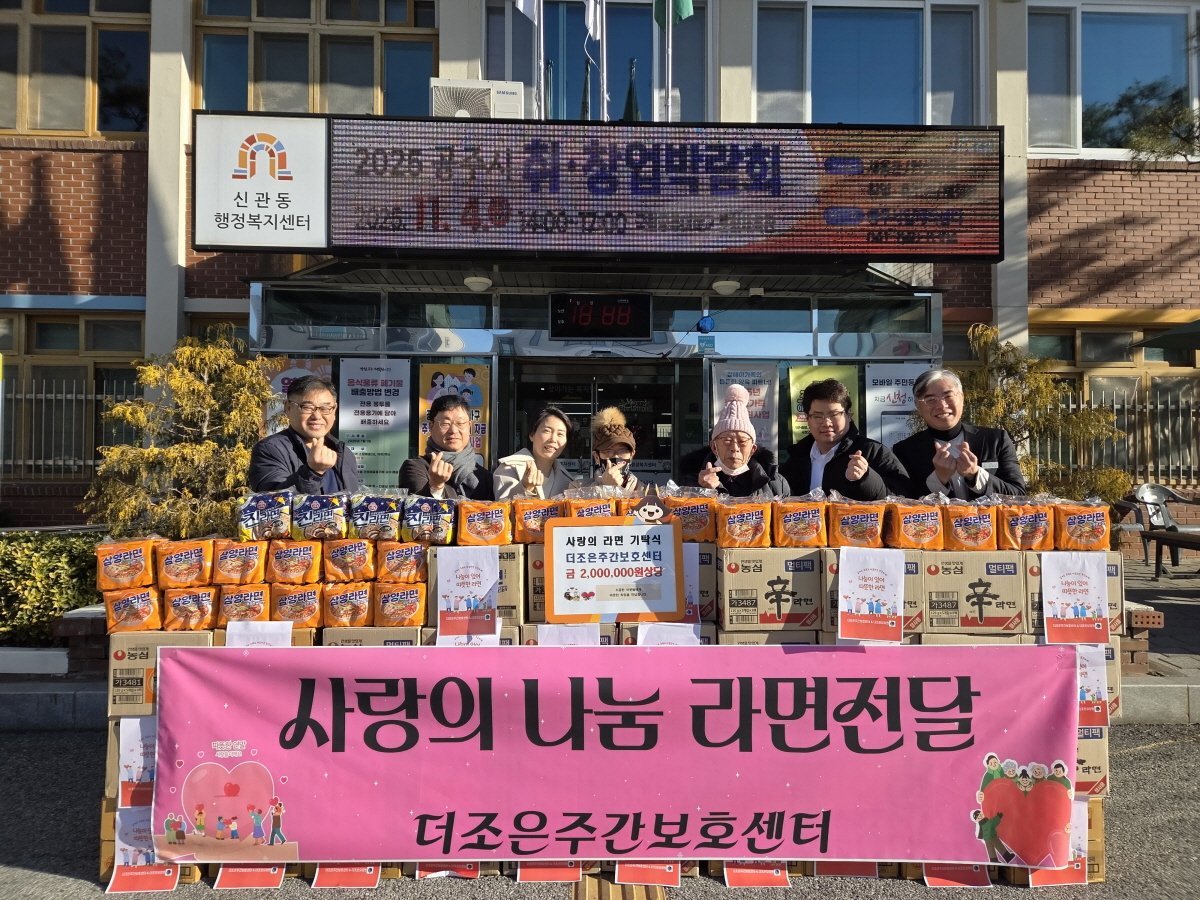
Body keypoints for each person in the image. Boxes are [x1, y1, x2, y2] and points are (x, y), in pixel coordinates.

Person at [892, 368, 1026, 499]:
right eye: (931, 399)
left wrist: (975, 474)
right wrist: (938, 479)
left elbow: (1018, 495)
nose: (942, 405)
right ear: (918, 406)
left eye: (948, 396)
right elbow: (901, 502)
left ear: (962, 398)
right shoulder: (905, 451)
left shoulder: (995, 440)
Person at [780, 379, 909, 500]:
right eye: (818, 416)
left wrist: (866, 478)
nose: (826, 423)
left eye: (834, 414)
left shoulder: (873, 452)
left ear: (849, 415)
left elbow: (902, 497)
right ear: (807, 419)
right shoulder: (797, 458)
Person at [248, 375, 360, 494]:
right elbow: (273, 501)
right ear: (288, 408)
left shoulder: (344, 453)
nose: (317, 416)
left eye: (325, 408)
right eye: (307, 407)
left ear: (334, 410)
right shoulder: (270, 449)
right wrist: (313, 472)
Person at [679, 384, 789, 499]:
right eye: (727, 440)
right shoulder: (691, 483)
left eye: (742, 441)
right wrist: (703, 491)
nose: (735, 448)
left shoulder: (775, 483)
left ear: (752, 449)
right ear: (714, 447)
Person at [399, 394, 493, 499]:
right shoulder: (416, 468)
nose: (453, 430)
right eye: (445, 424)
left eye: (460, 423)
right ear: (431, 427)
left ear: (469, 427)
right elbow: (416, 507)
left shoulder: (485, 477)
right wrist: (435, 486)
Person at [493, 406, 576, 499]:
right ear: (532, 435)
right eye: (547, 431)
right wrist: (525, 487)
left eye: (560, 434)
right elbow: (502, 504)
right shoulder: (509, 468)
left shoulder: (568, 482)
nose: (553, 439)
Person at [588, 407, 641, 491]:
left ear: (631, 456)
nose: (616, 456)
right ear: (597, 457)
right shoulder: (577, 489)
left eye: (622, 451)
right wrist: (606, 487)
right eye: (608, 451)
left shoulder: (647, 492)